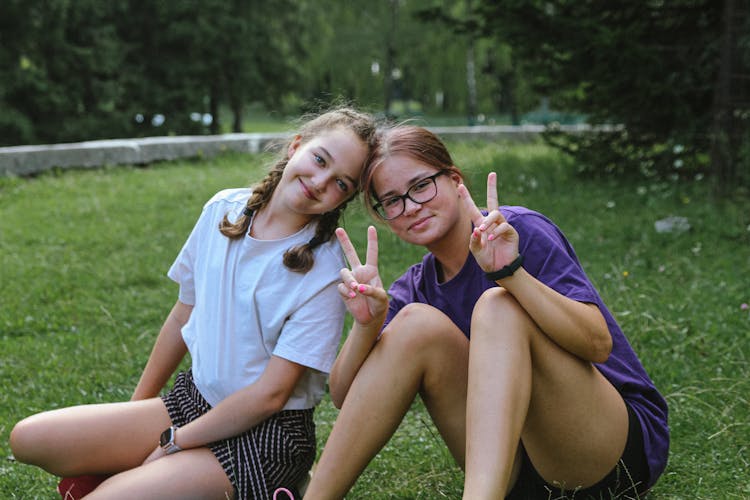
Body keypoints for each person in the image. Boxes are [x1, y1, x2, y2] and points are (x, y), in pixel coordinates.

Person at [9, 107, 377, 500]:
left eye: (340, 183)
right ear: (297, 145)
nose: (320, 181)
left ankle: (273, 489)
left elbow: (270, 395)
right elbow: (184, 312)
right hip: (193, 401)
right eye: (320, 160)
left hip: (265, 436)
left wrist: (173, 441)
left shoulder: (324, 272)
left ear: (347, 196)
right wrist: (133, 417)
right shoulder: (222, 210)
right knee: (28, 438)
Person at [302, 125, 669, 499]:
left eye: (420, 186)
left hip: (604, 452)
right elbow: (345, 395)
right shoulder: (416, 289)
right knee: (415, 323)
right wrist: (366, 326)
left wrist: (510, 275)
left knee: (498, 307)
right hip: (518, 474)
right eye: (393, 200)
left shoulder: (518, 229)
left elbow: (597, 343)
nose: (411, 207)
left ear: (455, 181)